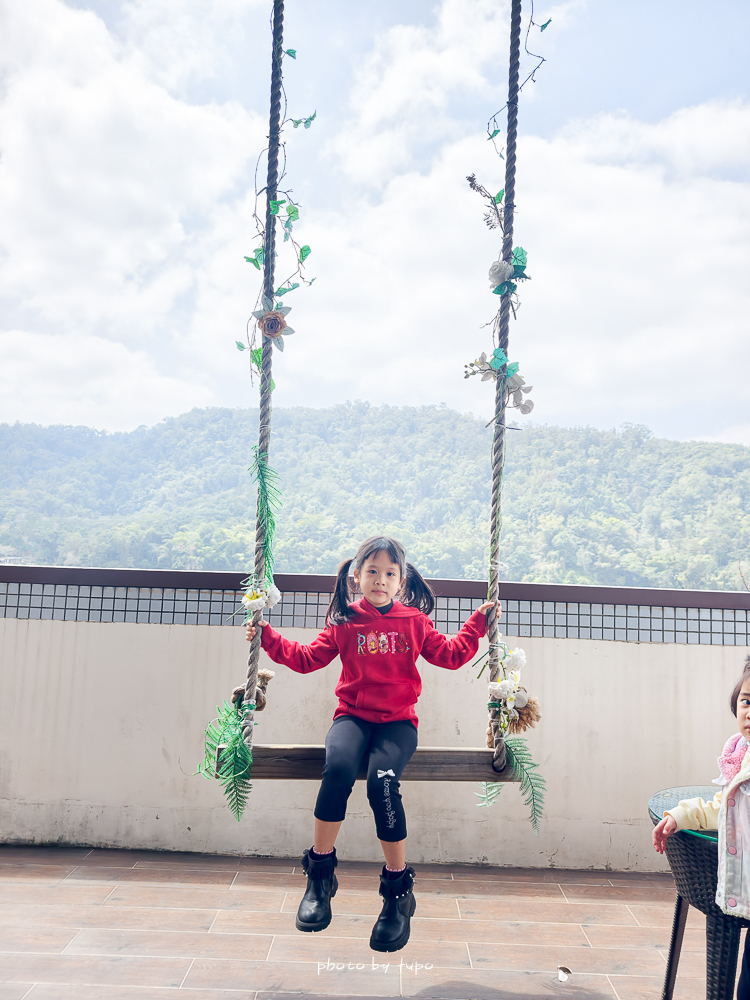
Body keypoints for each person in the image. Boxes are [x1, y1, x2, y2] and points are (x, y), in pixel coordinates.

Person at [245, 535, 499, 953]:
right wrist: (266, 637)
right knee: (339, 770)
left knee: (381, 782)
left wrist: (478, 622)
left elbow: (451, 655)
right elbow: (308, 658)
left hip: (398, 724)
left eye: (389, 573)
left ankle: (397, 891)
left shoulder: (414, 622)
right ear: (356, 577)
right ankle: (320, 875)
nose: (380, 580)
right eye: (372, 571)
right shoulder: (345, 621)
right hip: (353, 717)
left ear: (401, 581)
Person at [652, 656, 750, 998]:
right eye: (747, 700)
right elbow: (723, 807)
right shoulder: (740, 751)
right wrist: (680, 816)